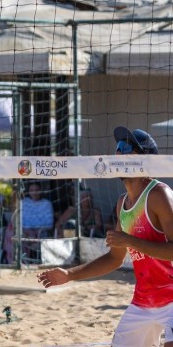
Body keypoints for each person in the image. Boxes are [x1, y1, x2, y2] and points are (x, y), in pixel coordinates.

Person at [39, 127, 173, 346]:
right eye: (118, 147)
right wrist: (69, 275)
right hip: (144, 302)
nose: (118, 153)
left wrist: (129, 241)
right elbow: (114, 258)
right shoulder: (123, 203)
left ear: (145, 159)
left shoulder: (159, 194)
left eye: (126, 148)